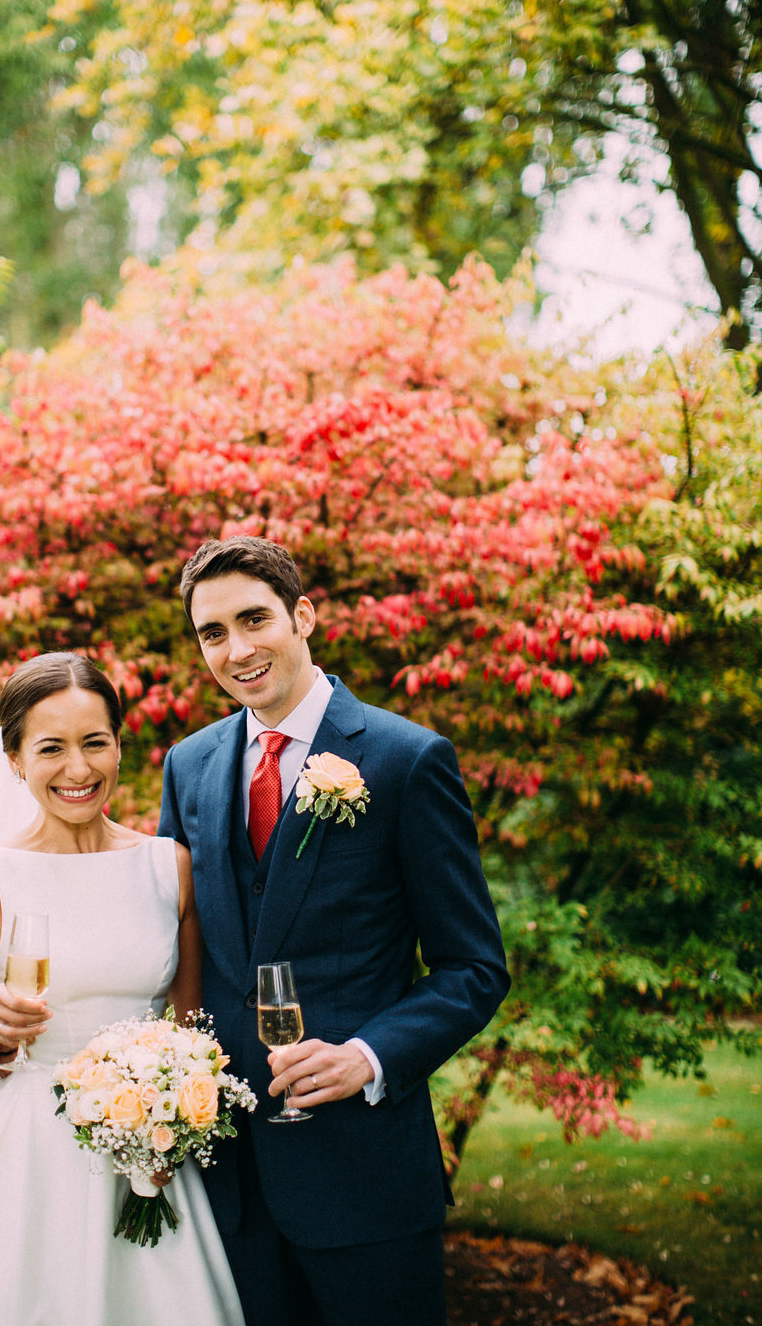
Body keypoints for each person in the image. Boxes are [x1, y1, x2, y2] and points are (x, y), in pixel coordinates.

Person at [158, 537, 510, 1326]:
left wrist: (367, 1057)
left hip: (366, 1181)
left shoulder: (405, 760)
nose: (237, 649)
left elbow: (473, 967)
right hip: (231, 1183)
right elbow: (182, 955)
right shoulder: (188, 765)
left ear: (304, 615)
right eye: (213, 633)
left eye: (254, 619)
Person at [0, 651, 244, 1326]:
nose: (78, 769)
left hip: (148, 1159)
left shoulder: (170, 869)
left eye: (94, 743)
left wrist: (172, 1124)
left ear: (119, 748)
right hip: (23, 1168)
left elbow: (195, 1035)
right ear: (14, 760)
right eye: (51, 748)